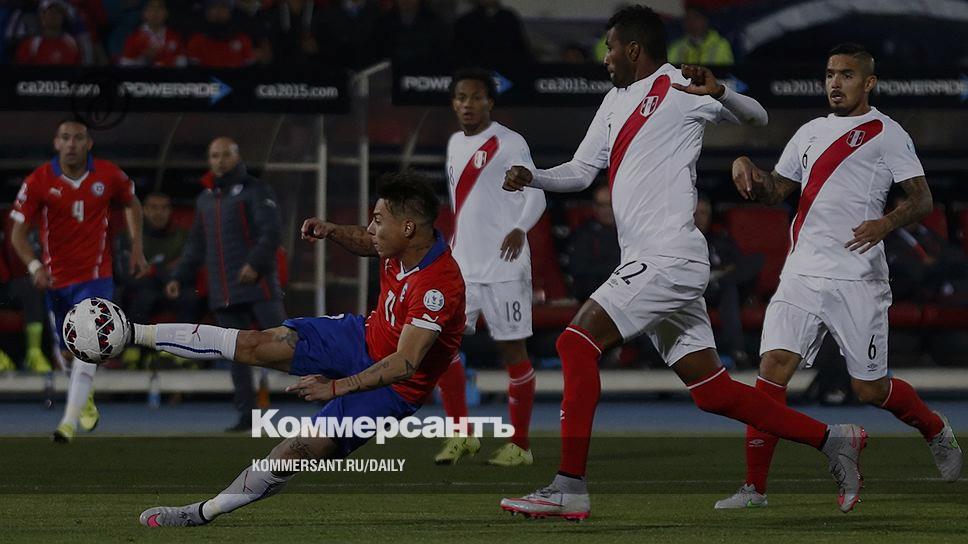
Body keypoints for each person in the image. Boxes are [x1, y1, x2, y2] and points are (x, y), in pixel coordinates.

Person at [499, 5, 866, 520]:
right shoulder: (613, 101)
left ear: (633, 49)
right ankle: (833, 440)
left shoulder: (679, 86)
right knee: (713, 393)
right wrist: (533, 176)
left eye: (609, 48)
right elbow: (581, 171)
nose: (604, 57)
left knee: (574, 343)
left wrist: (721, 92)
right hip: (652, 262)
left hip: (668, 256)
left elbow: (756, 116)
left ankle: (569, 486)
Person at [133, 173, 466, 527]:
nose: (371, 228)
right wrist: (332, 231)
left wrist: (336, 387)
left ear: (408, 228)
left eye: (378, 220)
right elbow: (366, 241)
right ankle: (132, 332)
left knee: (294, 451)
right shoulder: (399, 244)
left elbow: (405, 363)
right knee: (255, 343)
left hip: (393, 388)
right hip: (359, 336)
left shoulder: (438, 286)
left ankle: (201, 513)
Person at [715, 43, 963, 509]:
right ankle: (755, 488)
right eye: (830, 73)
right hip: (802, 272)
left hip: (858, 276)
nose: (835, 82)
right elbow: (776, 191)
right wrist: (746, 169)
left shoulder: (887, 133)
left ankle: (934, 428)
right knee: (772, 371)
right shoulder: (809, 132)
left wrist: (884, 224)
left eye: (846, 75)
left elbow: (922, 199)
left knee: (870, 389)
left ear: (868, 82)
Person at [9, 119, 148, 443]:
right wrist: (35, 267)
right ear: (56, 143)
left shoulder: (108, 174)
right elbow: (17, 233)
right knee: (66, 354)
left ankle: (67, 425)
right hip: (56, 280)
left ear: (89, 144)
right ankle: (83, 398)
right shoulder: (39, 180)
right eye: (65, 138)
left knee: (89, 345)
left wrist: (137, 247)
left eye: (78, 138)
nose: (71, 143)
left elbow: (131, 202)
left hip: (96, 277)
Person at [433, 67, 545, 466]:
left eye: (476, 97)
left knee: (512, 352)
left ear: (490, 102)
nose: (468, 105)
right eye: (461, 98)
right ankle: (461, 435)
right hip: (463, 267)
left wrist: (519, 228)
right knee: (442, 346)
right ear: (453, 103)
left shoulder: (509, 142)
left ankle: (520, 445)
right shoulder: (453, 143)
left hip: (504, 267)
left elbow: (537, 194)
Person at [167, 137, 287, 432]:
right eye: (214, 156)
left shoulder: (256, 190)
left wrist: (254, 264)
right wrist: (179, 276)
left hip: (259, 285)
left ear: (237, 157)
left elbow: (272, 232)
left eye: (225, 155)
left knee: (288, 343)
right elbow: (196, 245)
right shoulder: (205, 199)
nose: (219, 161)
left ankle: (329, 398)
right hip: (225, 291)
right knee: (236, 355)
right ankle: (248, 416)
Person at [118, 192, 196, 365]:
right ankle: (133, 350)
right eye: (153, 208)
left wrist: (153, 271)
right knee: (143, 296)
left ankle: (180, 351)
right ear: (144, 210)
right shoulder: (130, 237)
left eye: (164, 208)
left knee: (190, 296)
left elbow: (187, 268)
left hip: (173, 290)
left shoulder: (183, 237)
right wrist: (164, 275)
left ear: (170, 211)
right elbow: (127, 274)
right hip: (142, 291)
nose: (158, 213)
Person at [694, 195, 761, 367]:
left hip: (721, 287)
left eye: (704, 213)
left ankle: (737, 350)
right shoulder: (682, 241)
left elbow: (738, 264)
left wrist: (721, 274)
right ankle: (736, 349)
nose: (701, 217)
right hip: (696, 291)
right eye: (697, 213)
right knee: (727, 286)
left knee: (745, 271)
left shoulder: (720, 239)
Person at [565, 184, 620, 301]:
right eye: (601, 205)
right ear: (595, 207)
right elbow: (579, 268)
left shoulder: (629, 232)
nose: (606, 210)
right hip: (593, 297)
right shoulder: (583, 234)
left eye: (610, 205)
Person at [452, 0, 530, 71]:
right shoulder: (465, 22)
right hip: (476, 73)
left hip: (508, 71)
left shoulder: (509, 17)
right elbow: (459, 54)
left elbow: (520, 49)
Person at [186, 0, 255, 68]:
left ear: (230, 13)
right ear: (206, 13)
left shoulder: (242, 39)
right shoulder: (196, 41)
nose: (218, 11)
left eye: (223, 7)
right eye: (213, 7)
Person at [118, 0, 187, 67]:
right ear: (144, 14)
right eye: (151, 7)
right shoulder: (133, 38)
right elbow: (125, 64)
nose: (155, 11)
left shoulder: (175, 37)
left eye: (160, 7)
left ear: (166, 13)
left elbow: (183, 62)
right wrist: (144, 59)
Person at [14, 0, 82, 66]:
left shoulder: (72, 44)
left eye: (58, 12)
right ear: (42, 16)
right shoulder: (30, 45)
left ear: (63, 17)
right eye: (50, 11)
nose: (54, 15)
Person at [667, 6, 734, 66]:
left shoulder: (721, 45)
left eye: (696, 17)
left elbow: (727, 72)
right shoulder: (676, 47)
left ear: (706, 20)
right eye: (688, 18)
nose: (691, 22)